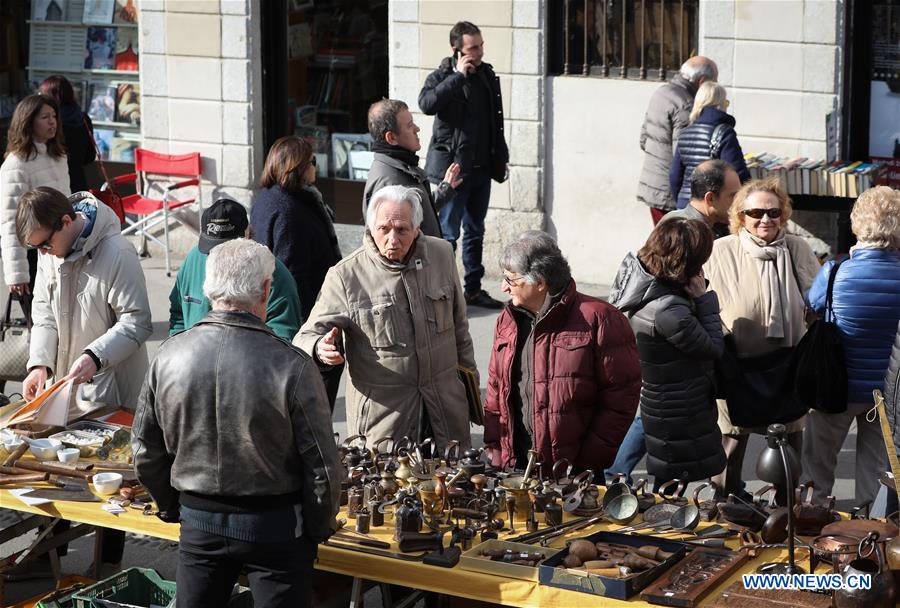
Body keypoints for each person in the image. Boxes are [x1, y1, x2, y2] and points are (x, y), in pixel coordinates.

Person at [133, 239, 341, 608]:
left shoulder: (169, 355)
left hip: (199, 519)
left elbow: (145, 451)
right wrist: (317, 528)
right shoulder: (291, 365)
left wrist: (172, 505)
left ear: (208, 287)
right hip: (275, 528)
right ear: (265, 289)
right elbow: (322, 467)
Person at [17, 187, 151, 574]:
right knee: (54, 468)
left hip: (112, 384)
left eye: (45, 244)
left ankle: (107, 566)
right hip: (65, 383)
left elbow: (138, 320)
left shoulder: (117, 252)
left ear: (66, 222)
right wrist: (38, 364)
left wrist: (96, 355)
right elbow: (42, 313)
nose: (43, 253)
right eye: (36, 248)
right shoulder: (49, 253)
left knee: (112, 479)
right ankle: (47, 557)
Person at [294, 185, 476, 449]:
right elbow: (304, 337)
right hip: (384, 424)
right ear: (370, 228)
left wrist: (470, 394)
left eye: (402, 230)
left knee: (450, 489)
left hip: (445, 413)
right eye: (384, 229)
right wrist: (319, 348)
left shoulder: (441, 254)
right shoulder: (346, 276)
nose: (393, 239)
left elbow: (460, 330)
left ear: (416, 229)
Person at [483, 231, 640, 473]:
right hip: (515, 468)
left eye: (511, 280)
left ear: (540, 282)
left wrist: (587, 463)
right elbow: (496, 388)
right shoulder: (508, 320)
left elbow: (621, 399)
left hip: (573, 474)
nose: (503, 287)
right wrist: (495, 448)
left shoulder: (600, 319)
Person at [704, 177, 820, 498]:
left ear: (784, 214)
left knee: (788, 449)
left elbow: (817, 302)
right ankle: (726, 508)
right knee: (731, 447)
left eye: (773, 212)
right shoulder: (721, 250)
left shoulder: (797, 248)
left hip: (788, 368)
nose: (765, 220)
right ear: (740, 216)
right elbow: (704, 305)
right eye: (755, 213)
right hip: (738, 369)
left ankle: (785, 516)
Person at [801, 186, 900, 505]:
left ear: (858, 224)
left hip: (836, 386)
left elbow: (812, 307)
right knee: (875, 474)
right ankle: (865, 539)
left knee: (817, 467)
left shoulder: (835, 272)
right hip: (886, 394)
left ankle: (812, 525)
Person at [609, 219, 726, 485]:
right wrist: (703, 300)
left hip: (664, 396)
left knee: (668, 471)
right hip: (679, 406)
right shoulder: (669, 310)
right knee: (673, 480)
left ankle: (617, 477)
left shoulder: (646, 285)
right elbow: (712, 347)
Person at [419, 20, 510, 309]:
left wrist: (501, 158)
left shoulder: (487, 75)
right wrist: (457, 77)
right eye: (473, 47)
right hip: (454, 171)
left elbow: (496, 121)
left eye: (481, 45)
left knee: (475, 230)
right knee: (448, 235)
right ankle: (443, 293)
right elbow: (426, 104)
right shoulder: (443, 76)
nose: (480, 52)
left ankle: (473, 289)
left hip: (481, 168)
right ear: (456, 49)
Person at [251, 136, 343, 407]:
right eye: (312, 161)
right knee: (319, 376)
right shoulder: (288, 209)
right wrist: (309, 324)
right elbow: (291, 271)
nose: (316, 166)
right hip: (306, 313)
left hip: (294, 307)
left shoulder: (275, 199)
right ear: (299, 167)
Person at [169, 198, 302, 341]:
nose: (219, 255)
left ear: (247, 233)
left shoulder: (273, 273)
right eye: (212, 247)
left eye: (227, 247)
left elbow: (282, 337)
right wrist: (180, 348)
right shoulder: (193, 259)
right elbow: (178, 315)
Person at [2, 94, 71, 310]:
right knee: (43, 327)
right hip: (35, 256)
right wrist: (17, 274)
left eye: (53, 116)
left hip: (63, 252)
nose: (52, 121)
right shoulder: (16, 164)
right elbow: (11, 222)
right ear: (28, 122)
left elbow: (69, 204)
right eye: (44, 117)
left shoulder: (58, 155)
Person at [363, 98, 462, 238]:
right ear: (391, 138)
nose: (417, 129)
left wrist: (445, 190)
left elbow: (417, 213)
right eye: (409, 126)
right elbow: (392, 247)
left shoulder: (401, 166)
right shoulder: (389, 182)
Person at [637, 56, 718, 224]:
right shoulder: (686, 104)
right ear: (701, 81)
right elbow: (684, 155)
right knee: (674, 246)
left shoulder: (662, 92)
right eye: (712, 83)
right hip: (671, 193)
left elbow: (643, 140)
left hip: (655, 185)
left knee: (663, 242)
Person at [670, 82, 750, 210]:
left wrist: (681, 201)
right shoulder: (724, 132)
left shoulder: (685, 132)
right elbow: (738, 172)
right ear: (721, 104)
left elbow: (675, 175)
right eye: (726, 103)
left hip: (686, 203)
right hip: (714, 206)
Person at [39, 75, 96, 192]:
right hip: (79, 184)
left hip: (54, 186)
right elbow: (90, 156)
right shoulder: (83, 118)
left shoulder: (50, 123)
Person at [661, 159, 740, 238]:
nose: (739, 201)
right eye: (734, 196)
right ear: (710, 199)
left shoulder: (671, 218)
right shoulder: (691, 235)